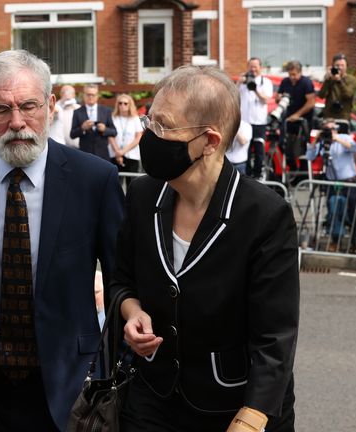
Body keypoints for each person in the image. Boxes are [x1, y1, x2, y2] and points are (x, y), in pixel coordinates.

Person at [110, 66, 299, 432]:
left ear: (210, 141)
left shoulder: (264, 214)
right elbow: (123, 280)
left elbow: (275, 337)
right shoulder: (143, 194)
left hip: (233, 404)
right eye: (149, 121)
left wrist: (252, 416)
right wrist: (131, 312)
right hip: (153, 398)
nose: (149, 134)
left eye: (162, 126)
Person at [0, 50, 124, 432]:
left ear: (52, 104)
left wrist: (116, 374)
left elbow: (120, 282)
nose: (17, 122)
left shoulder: (95, 180)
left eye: (29, 106)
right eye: (0, 110)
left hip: (71, 385)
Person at [306, 119, 356, 253]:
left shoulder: (343, 137)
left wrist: (337, 139)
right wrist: (316, 140)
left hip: (348, 180)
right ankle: (335, 241)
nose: (328, 132)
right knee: (333, 209)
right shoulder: (323, 141)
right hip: (332, 181)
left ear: (335, 129)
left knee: (351, 211)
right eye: (326, 129)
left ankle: (354, 242)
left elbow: (355, 148)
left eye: (330, 129)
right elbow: (309, 156)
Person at [277, 61, 315, 171]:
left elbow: (311, 102)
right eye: (290, 74)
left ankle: (303, 174)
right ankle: (293, 169)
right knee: (282, 144)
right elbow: (277, 97)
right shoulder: (285, 82)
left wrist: (297, 115)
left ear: (300, 72)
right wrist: (280, 98)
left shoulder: (306, 82)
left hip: (304, 121)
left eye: (294, 74)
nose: (292, 77)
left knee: (302, 147)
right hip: (288, 119)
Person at [238, 57, 273, 178]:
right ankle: (246, 176)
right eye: (251, 67)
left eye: (255, 67)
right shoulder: (243, 81)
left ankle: (258, 176)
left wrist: (255, 89)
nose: (253, 69)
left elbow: (266, 99)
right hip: (245, 123)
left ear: (260, 67)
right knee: (244, 151)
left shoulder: (266, 82)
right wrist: (239, 82)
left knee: (259, 152)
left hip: (259, 123)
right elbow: (233, 96)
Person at [70, 84, 117, 160]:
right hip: (85, 155)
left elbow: (114, 132)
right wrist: (82, 128)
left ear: (97, 96)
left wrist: (104, 129)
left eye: (93, 95)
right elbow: (72, 134)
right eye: (88, 95)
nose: (91, 97)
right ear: (84, 96)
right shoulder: (77, 112)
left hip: (103, 155)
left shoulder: (106, 111)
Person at [318, 53, 356, 129]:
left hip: (343, 117)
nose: (340, 68)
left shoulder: (351, 79)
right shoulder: (329, 79)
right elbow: (321, 95)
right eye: (337, 65)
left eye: (342, 65)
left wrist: (339, 81)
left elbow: (348, 94)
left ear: (346, 66)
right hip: (329, 117)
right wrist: (327, 80)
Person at [110, 94, 143, 175]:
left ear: (130, 105)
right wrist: (118, 152)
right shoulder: (113, 118)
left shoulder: (135, 119)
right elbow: (110, 136)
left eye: (125, 103)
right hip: (114, 154)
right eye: (120, 103)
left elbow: (138, 137)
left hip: (131, 155)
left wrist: (123, 152)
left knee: (131, 181)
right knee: (115, 181)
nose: (122, 105)